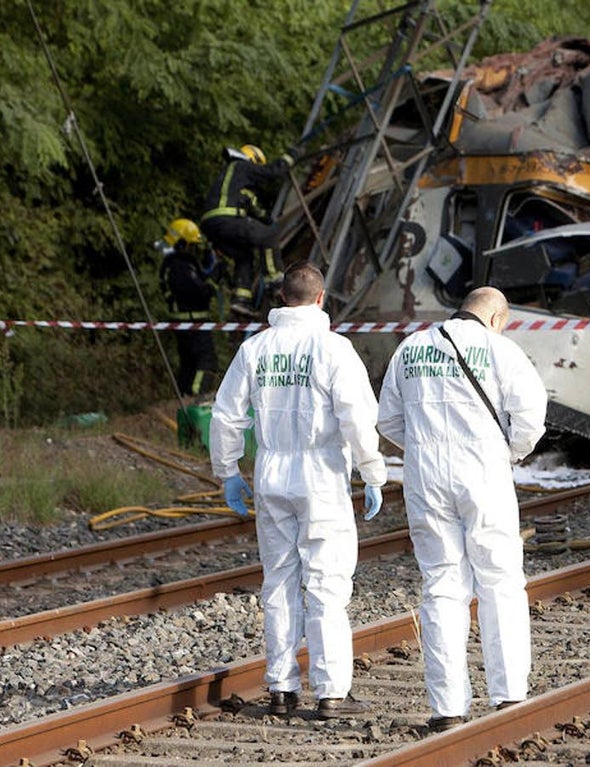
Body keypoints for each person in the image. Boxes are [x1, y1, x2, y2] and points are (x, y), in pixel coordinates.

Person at [209, 260, 387, 719]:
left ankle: (282, 687)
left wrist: (228, 470)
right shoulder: (334, 349)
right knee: (327, 584)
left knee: (279, 583)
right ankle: (330, 692)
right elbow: (356, 417)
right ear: (322, 298)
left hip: (271, 476)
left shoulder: (256, 349)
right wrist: (372, 472)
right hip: (321, 477)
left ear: (281, 298)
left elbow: (227, 414)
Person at [377, 286, 548, 732]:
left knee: (441, 585)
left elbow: (389, 418)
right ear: (496, 318)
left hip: (426, 477)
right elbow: (531, 414)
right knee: (500, 581)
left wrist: (421, 447)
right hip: (484, 471)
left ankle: (447, 707)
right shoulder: (500, 349)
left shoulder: (411, 348)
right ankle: (510, 695)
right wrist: (509, 451)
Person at [200, 144, 296, 318]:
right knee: (268, 235)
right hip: (226, 219)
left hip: (211, 225)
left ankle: (241, 299)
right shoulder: (242, 166)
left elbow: (253, 206)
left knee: (244, 256)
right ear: (253, 160)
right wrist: (289, 157)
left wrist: (266, 217)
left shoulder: (234, 180)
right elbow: (272, 172)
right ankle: (275, 281)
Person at [157, 218, 219, 399]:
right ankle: (196, 395)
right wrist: (214, 282)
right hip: (192, 322)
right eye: (191, 246)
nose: (193, 250)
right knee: (207, 362)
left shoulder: (174, 264)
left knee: (189, 363)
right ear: (182, 243)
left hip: (185, 323)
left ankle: (183, 397)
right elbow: (198, 292)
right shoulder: (179, 267)